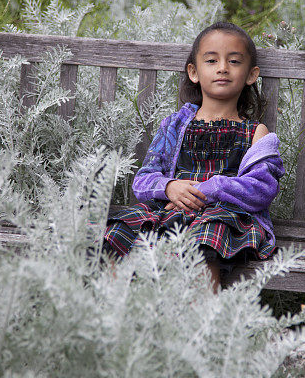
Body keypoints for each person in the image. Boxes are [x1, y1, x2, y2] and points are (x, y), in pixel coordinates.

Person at [101, 21, 285, 293]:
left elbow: (261, 189)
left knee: (205, 237)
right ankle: (115, 319)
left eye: (234, 61)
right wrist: (169, 186)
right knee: (118, 231)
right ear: (194, 72)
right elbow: (142, 181)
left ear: (251, 74)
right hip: (170, 212)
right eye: (211, 60)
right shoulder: (174, 126)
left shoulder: (256, 133)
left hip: (225, 219)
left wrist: (213, 188)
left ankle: (202, 326)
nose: (222, 67)